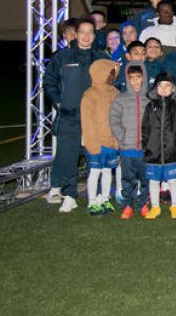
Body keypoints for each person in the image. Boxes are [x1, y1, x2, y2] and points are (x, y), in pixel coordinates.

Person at [45, 20, 109, 213]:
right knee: (68, 155)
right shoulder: (62, 56)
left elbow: (112, 85)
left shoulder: (101, 57)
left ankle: (96, 196)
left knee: (95, 157)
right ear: (76, 34)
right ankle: (70, 195)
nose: (86, 36)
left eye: (90, 32)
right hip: (69, 115)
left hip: (95, 118)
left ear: (95, 35)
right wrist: (58, 102)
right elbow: (49, 81)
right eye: (83, 32)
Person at [80, 59, 121, 215]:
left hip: (111, 142)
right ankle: (92, 202)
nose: (111, 77)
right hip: (96, 143)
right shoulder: (90, 94)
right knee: (95, 172)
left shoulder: (115, 92)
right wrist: (91, 144)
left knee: (107, 171)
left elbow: (118, 119)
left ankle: (104, 198)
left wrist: (117, 140)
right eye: (109, 73)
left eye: (113, 74)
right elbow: (87, 122)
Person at [109, 64, 151, 219]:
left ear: (143, 78)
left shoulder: (150, 98)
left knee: (146, 179)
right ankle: (127, 205)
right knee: (127, 179)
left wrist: (151, 140)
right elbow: (114, 119)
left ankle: (143, 203)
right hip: (127, 148)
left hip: (145, 150)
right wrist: (122, 136)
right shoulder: (121, 98)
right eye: (131, 78)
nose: (135, 81)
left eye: (138, 77)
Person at [142, 71, 176, 219]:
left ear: (173, 89)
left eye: (168, 86)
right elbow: (145, 128)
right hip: (153, 152)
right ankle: (155, 207)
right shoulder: (150, 106)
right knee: (153, 181)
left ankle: (175, 206)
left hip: (171, 152)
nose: (164, 89)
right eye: (161, 86)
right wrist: (145, 145)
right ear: (155, 88)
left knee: (173, 180)